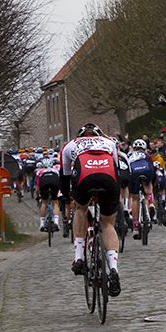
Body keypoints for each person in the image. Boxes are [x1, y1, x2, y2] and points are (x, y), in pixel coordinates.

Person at [60, 123, 122, 296]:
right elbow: (117, 169)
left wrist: (66, 199)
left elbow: (64, 177)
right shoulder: (108, 142)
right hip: (109, 177)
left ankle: (79, 257)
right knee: (108, 224)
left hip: (84, 177)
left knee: (80, 209)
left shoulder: (70, 145)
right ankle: (114, 269)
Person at [126, 137, 157, 239]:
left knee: (135, 199)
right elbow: (152, 167)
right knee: (148, 185)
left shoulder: (129, 154)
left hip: (133, 172)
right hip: (146, 170)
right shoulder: (146, 154)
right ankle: (151, 202)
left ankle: (135, 228)